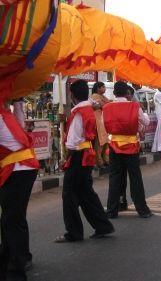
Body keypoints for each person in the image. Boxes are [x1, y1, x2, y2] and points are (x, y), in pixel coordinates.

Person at [54, 80, 115, 243]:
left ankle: (73, 232)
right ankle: (103, 226)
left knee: (69, 196)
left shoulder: (78, 112)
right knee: (86, 194)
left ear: (72, 95)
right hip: (88, 154)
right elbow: (95, 104)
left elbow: (72, 143)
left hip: (78, 155)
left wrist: (64, 158)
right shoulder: (90, 106)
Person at [0, 101, 39, 281]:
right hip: (24, 167)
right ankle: (13, 261)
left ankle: (16, 272)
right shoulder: (6, 114)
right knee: (12, 218)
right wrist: (18, 102)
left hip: (18, 169)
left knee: (12, 220)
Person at [103, 81, 153, 219]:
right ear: (127, 93)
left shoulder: (107, 107)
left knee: (114, 178)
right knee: (135, 178)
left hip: (114, 146)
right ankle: (142, 210)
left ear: (114, 93)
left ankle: (113, 210)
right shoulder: (134, 106)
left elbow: (103, 124)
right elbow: (146, 122)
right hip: (131, 146)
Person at [90, 82, 110, 168]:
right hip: (98, 122)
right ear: (98, 88)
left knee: (105, 142)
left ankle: (105, 159)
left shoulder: (103, 97)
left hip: (103, 121)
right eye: (103, 87)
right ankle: (99, 162)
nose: (104, 88)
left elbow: (107, 105)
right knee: (99, 143)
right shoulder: (94, 96)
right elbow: (104, 105)